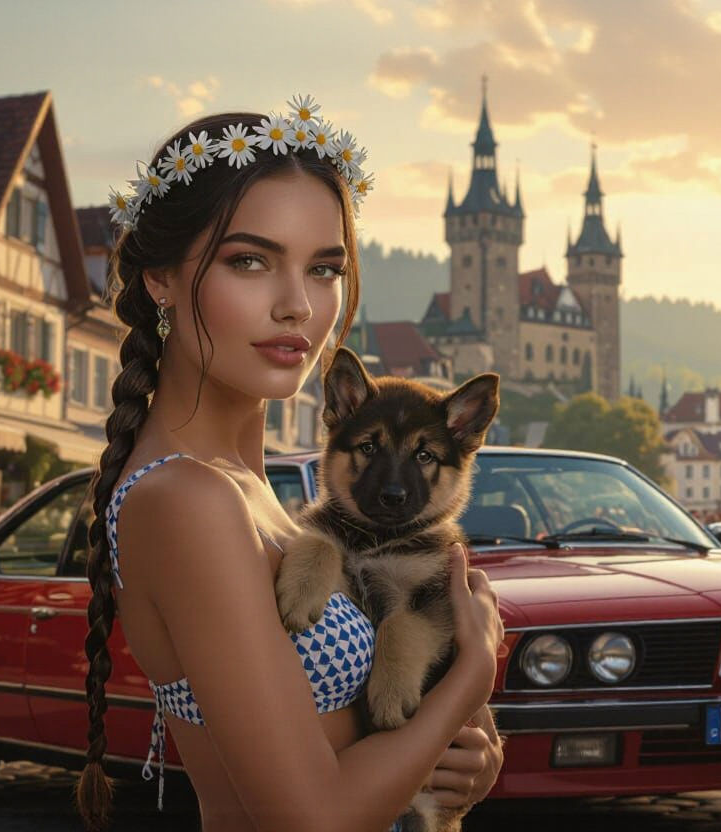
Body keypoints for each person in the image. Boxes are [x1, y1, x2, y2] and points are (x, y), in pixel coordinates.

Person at [72, 103, 503, 832]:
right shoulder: (187, 497)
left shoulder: (257, 490)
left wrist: (471, 761)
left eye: (325, 269)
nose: (299, 306)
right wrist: (475, 673)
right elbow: (316, 818)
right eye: (250, 261)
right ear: (160, 280)